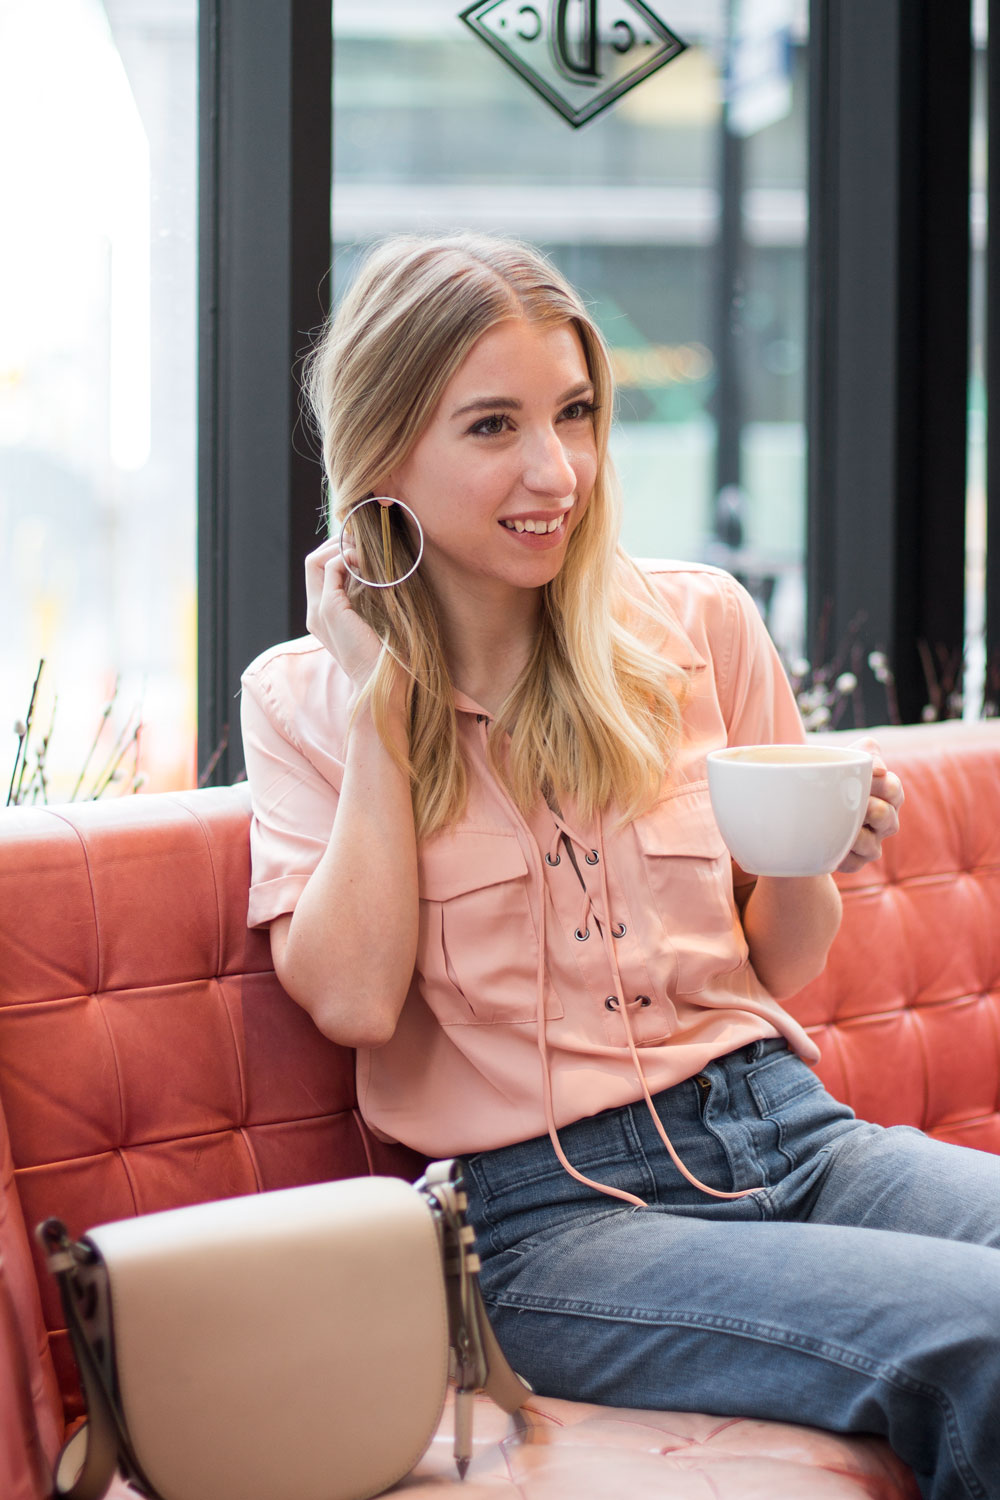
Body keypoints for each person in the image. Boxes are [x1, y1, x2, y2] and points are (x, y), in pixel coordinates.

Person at [241, 232, 998, 1500]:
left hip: (787, 1129)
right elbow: (355, 1003)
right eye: (492, 427)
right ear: (383, 459)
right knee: (980, 1335)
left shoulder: (697, 625)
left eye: (577, 413)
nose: (559, 471)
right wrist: (383, 710)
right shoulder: (305, 700)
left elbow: (781, 970)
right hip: (544, 1225)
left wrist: (814, 852)